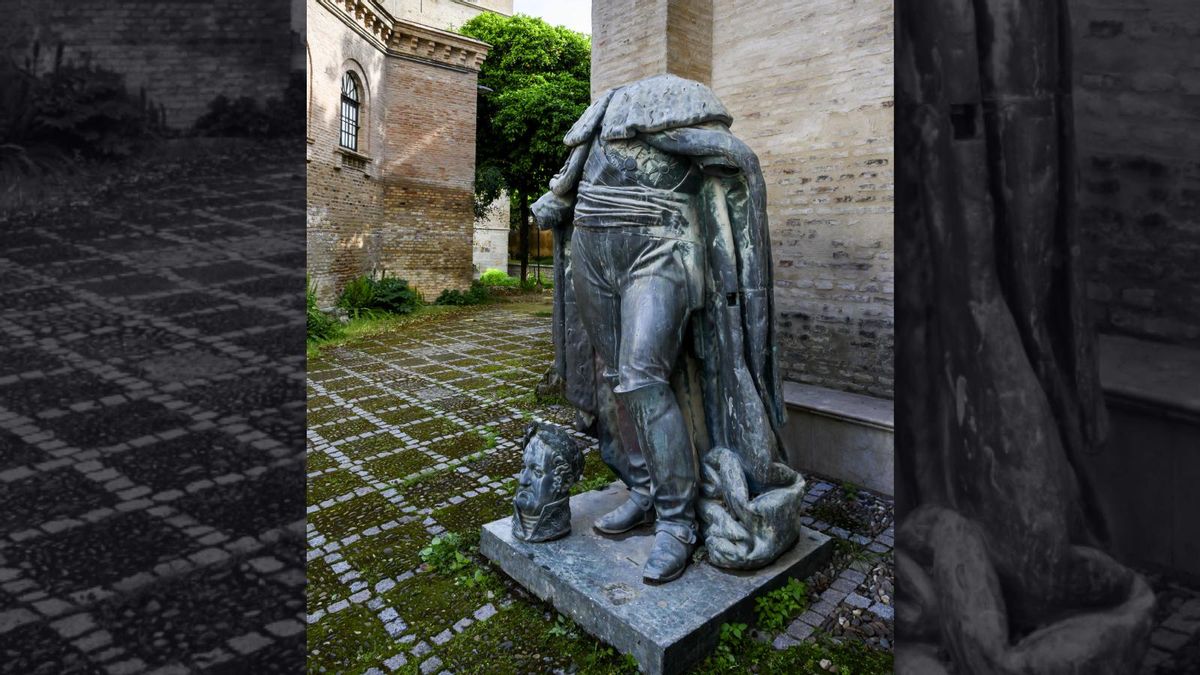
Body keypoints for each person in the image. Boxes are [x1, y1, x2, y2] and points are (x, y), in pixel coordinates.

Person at [533, 74, 806, 583]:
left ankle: (677, 523)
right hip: (592, 248)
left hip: (662, 247)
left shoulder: (690, 106)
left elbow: (733, 163)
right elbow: (572, 173)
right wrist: (558, 199)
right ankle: (643, 490)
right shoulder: (600, 114)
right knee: (615, 375)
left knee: (642, 376)